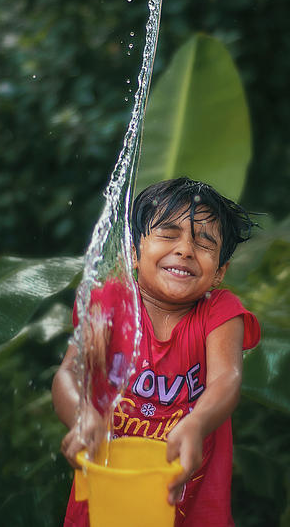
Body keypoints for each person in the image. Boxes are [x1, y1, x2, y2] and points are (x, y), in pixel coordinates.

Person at [52, 177, 261, 527]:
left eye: (204, 242)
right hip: (106, 505)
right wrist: (82, 414)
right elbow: (71, 373)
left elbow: (227, 379)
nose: (185, 249)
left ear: (219, 273)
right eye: (168, 234)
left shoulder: (219, 311)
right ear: (133, 252)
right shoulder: (111, 303)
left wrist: (197, 423)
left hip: (193, 511)